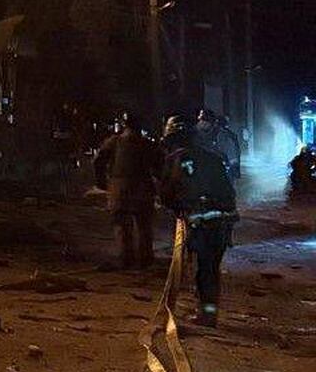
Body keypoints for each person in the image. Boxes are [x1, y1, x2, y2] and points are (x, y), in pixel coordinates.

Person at [159, 123, 238, 327]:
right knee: (211, 268)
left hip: (201, 223)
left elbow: (167, 195)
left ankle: (206, 315)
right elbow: (229, 190)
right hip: (223, 221)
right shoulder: (213, 157)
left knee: (202, 269)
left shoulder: (175, 160)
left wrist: (180, 209)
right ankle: (209, 311)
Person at [94, 112, 162, 269]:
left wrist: (102, 182)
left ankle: (126, 259)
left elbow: (98, 161)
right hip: (142, 189)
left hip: (120, 189)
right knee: (144, 225)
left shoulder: (114, 142)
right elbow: (160, 167)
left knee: (122, 225)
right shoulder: (147, 144)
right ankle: (145, 260)